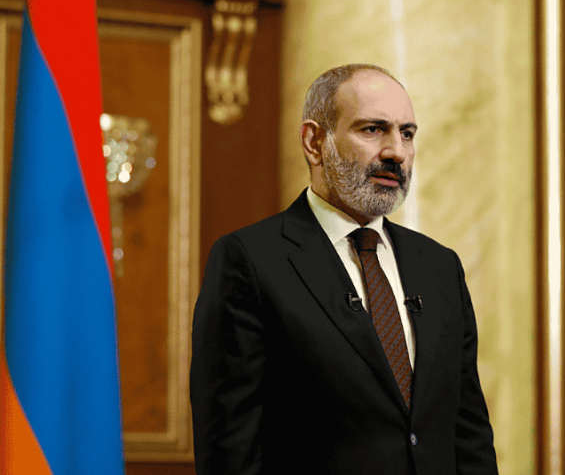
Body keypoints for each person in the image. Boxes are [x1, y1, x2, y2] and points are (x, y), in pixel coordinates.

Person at [190, 63, 499, 474]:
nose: (396, 152)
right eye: (373, 129)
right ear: (315, 142)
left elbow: (469, 434)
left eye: (407, 133)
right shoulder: (250, 260)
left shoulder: (440, 266)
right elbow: (230, 450)